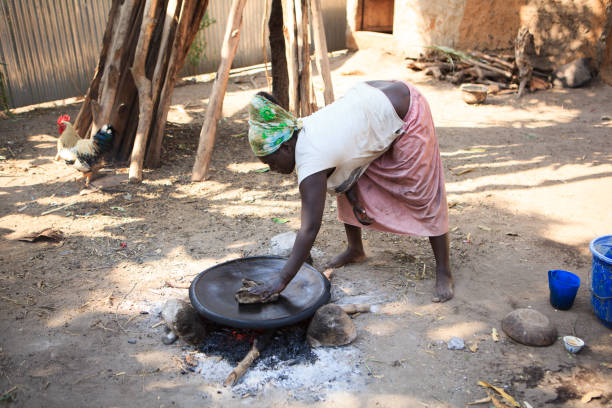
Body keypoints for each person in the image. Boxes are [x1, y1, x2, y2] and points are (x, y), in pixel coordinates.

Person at [247, 80, 453, 302]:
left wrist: (282, 279)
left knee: (421, 193)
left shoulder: (312, 159)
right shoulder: (298, 129)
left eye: (271, 162)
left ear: (286, 147)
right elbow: (344, 168)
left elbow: (309, 228)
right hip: (372, 101)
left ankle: (444, 271)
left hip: (407, 109)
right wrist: (356, 202)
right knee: (346, 182)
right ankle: (356, 250)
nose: (272, 169)